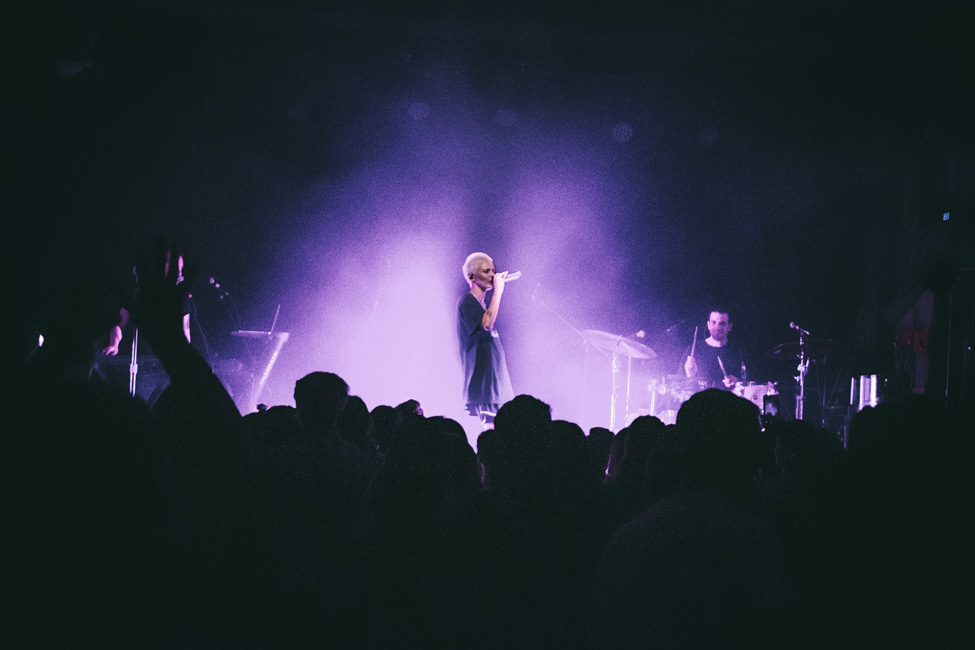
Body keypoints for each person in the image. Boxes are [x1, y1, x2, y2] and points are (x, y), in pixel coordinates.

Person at [457, 252, 514, 427]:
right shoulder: (466, 300)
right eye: (487, 271)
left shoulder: (482, 305)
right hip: (485, 383)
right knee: (491, 431)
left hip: (496, 382)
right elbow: (487, 324)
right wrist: (499, 291)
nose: (492, 275)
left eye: (493, 271)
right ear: (472, 276)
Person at [682, 309, 743, 389]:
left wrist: (738, 382)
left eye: (722, 323)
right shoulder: (693, 350)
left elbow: (751, 383)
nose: (717, 327)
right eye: (713, 322)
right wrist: (689, 376)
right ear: (708, 325)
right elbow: (680, 387)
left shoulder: (738, 351)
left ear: (729, 327)